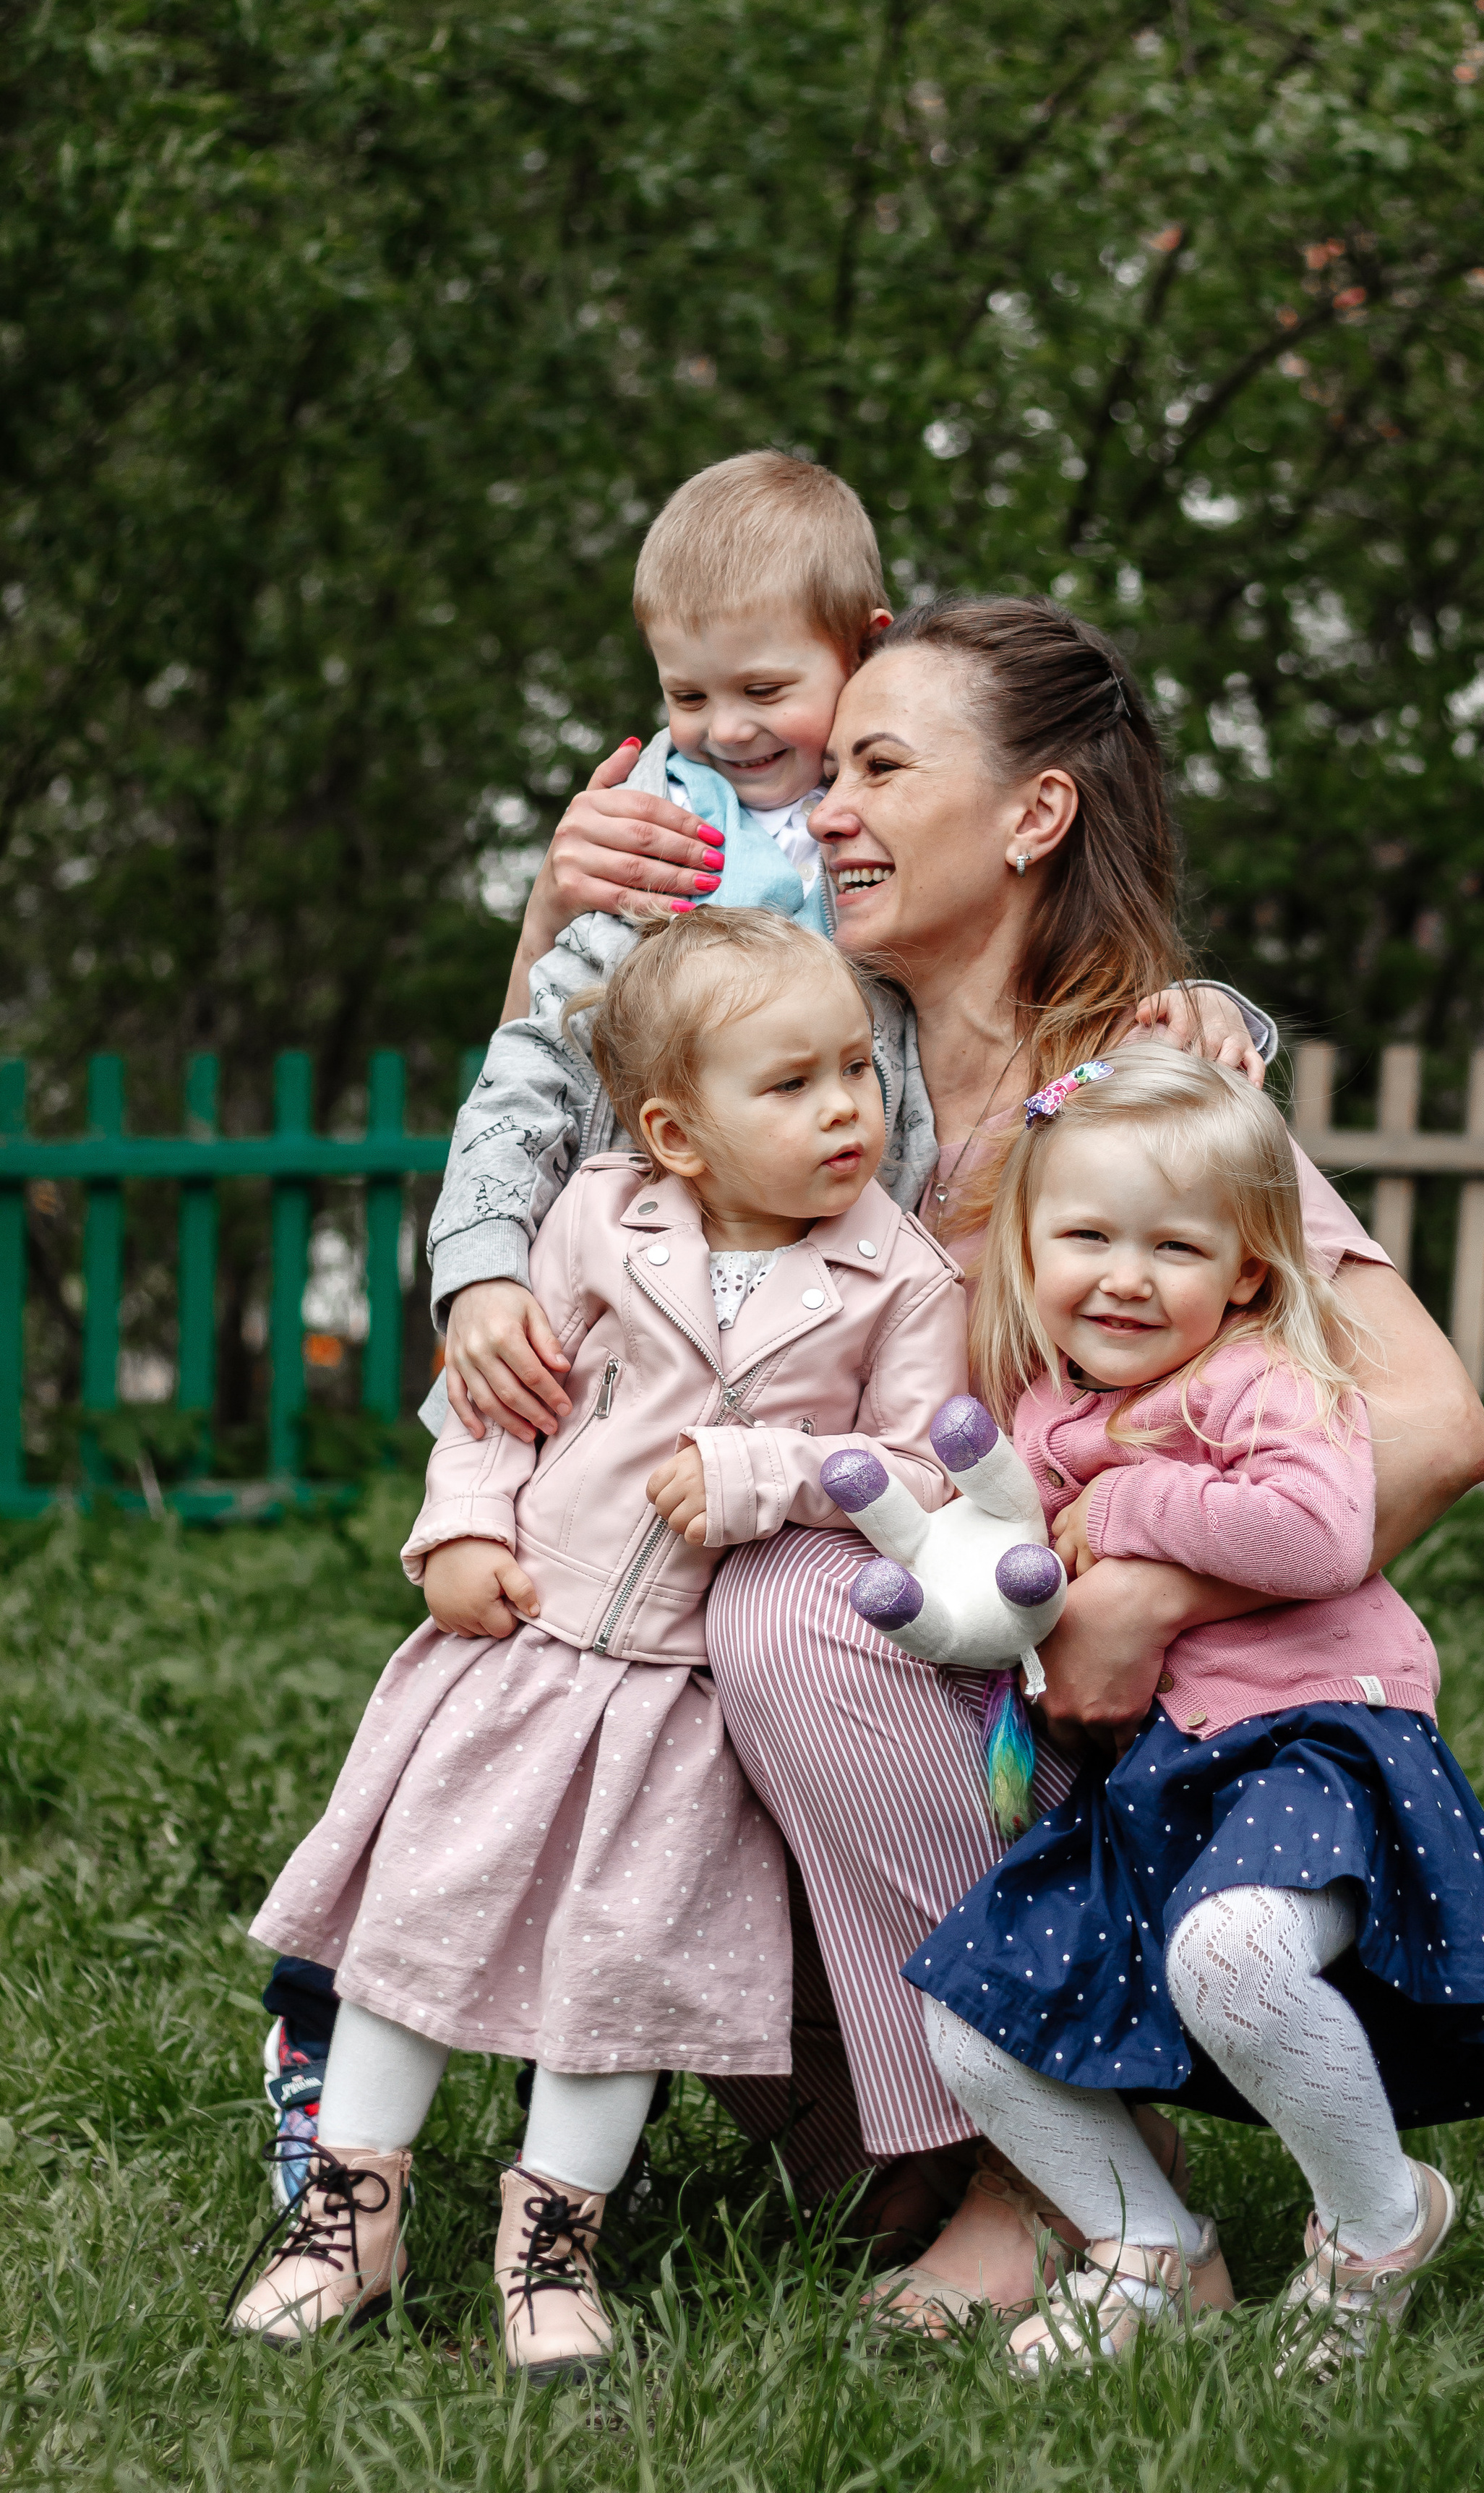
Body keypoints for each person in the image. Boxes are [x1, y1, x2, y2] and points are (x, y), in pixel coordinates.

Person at [449, 592, 1484, 2320]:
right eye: (826, 769)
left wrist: (1149, 1587)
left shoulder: (1141, 1091)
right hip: (891, 1682)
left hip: (1116, 1728)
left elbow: (1435, 1425)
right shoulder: (815, 1052)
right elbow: (580, 1138)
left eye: (878, 765)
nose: (826, 807)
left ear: (1033, 817)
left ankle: (1070, 2181)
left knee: (792, 1600)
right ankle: (912, 2121)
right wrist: (562, 920)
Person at [229, 911, 968, 2373]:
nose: (844, 1111)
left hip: (683, 1700)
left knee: (622, 1979)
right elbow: (504, 1410)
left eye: (856, 1075)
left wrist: (764, 1475)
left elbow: (922, 1471)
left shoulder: (902, 1278)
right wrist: (457, 1533)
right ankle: (349, 2215)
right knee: (416, 1931)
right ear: (675, 1134)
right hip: (523, 1650)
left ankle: (551, 2245)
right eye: (792, 1085)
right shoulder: (597, 1218)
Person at [903, 1047, 1484, 2372]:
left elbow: (1319, 1533)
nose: (1124, 1274)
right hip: (1167, 1774)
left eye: (1175, 1246)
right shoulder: (1045, 1409)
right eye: (1087, 1237)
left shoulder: (1260, 1379)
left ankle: (1377, 2222)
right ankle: (1146, 2242)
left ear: (1246, 1273)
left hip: (1318, 1748)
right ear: (1028, 1246)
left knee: (1233, 1957)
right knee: (968, 2009)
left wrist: (1120, 1506)